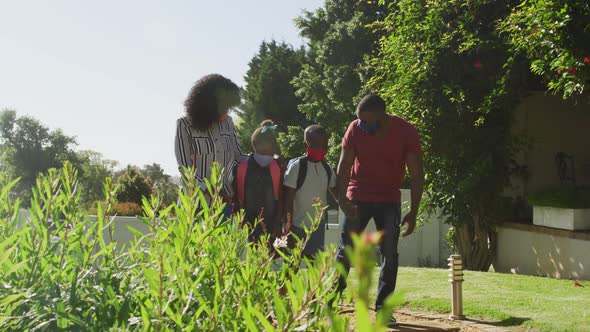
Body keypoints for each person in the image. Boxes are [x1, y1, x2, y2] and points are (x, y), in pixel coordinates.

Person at [334, 93, 424, 326]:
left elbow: (416, 174)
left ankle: (384, 309)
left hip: (388, 199)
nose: (362, 126)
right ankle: (331, 300)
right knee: (346, 250)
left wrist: (413, 211)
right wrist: (342, 200)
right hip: (359, 195)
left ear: (382, 117)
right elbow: (344, 166)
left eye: (367, 121)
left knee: (390, 254)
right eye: (359, 120)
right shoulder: (354, 129)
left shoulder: (406, 131)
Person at [174, 74, 244, 217]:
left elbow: (239, 157)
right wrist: (212, 190)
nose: (227, 111)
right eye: (225, 106)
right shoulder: (184, 125)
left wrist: (267, 158)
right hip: (194, 206)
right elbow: (185, 169)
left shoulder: (228, 123)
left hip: (224, 205)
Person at [283, 125, 336, 257]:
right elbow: (288, 197)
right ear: (305, 145)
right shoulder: (297, 167)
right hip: (296, 226)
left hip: (318, 227)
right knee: (291, 265)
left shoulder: (327, 169)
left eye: (324, 146)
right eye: (315, 145)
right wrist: (288, 224)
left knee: (314, 266)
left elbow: (336, 192)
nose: (320, 149)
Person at [233, 120, 283, 242]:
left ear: (273, 149)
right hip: (250, 223)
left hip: (271, 224)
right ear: (254, 147)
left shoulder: (278, 166)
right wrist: (241, 219)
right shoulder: (243, 167)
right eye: (261, 152)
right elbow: (238, 197)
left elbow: (281, 197)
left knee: (271, 255)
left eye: (267, 153)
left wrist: (278, 222)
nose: (265, 156)